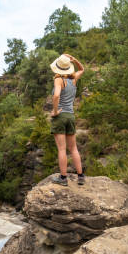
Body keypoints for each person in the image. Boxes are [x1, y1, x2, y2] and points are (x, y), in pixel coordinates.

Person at [49, 53, 85, 186]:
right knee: (74, 148)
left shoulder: (59, 79)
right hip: (71, 116)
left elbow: (56, 95)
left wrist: (55, 110)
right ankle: (80, 176)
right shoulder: (74, 79)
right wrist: (75, 60)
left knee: (62, 149)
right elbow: (82, 69)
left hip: (60, 116)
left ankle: (63, 178)